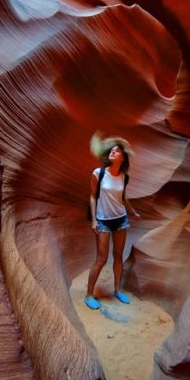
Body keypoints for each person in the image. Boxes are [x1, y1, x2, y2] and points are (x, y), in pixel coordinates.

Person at [85, 133, 140, 310]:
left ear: (122, 158)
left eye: (117, 151)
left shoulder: (124, 177)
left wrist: (132, 211)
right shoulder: (98, 173)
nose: (113, 152)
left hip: (121, 220)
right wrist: (94, 220)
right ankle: (89, 294)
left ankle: (117, 290)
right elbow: (93, 197)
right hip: (103, 221)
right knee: (101, 259)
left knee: (118, 256)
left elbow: (123, 198)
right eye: (112, 150)